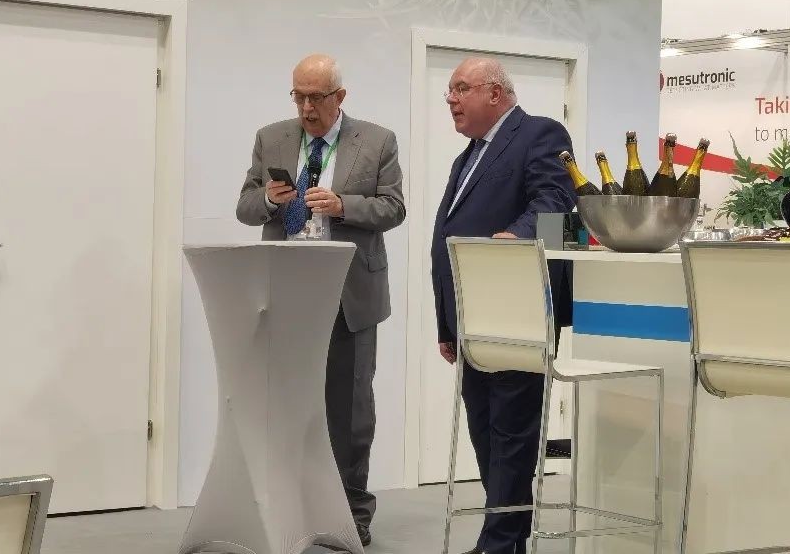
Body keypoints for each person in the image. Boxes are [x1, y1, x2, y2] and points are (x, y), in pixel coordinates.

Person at [236, 54, 405, 547]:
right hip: (286, 293)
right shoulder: (272, 137)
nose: (307, 108)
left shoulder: (377, 141)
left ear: (340, 97)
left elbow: (393, 208)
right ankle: (288, 508)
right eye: (299, 96)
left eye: (316, 98)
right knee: (285, 405)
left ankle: (350, 514)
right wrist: (270, 200)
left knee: (349, 411)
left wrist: (342, 205)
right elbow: (245, 206)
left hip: (349, 293)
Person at [430, 57, 577, 554]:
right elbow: (447, 237)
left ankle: (500, 542)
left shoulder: (540, 134)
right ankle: (504, 538)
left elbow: (556, 200)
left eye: (461, 88)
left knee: (512, 432)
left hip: (519, 309)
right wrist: (446, 323)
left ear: (495, 93)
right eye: (449, 91)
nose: (451, 99)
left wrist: (516, 235)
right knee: (484, 431)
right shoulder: (469, 155)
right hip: (473, 318)